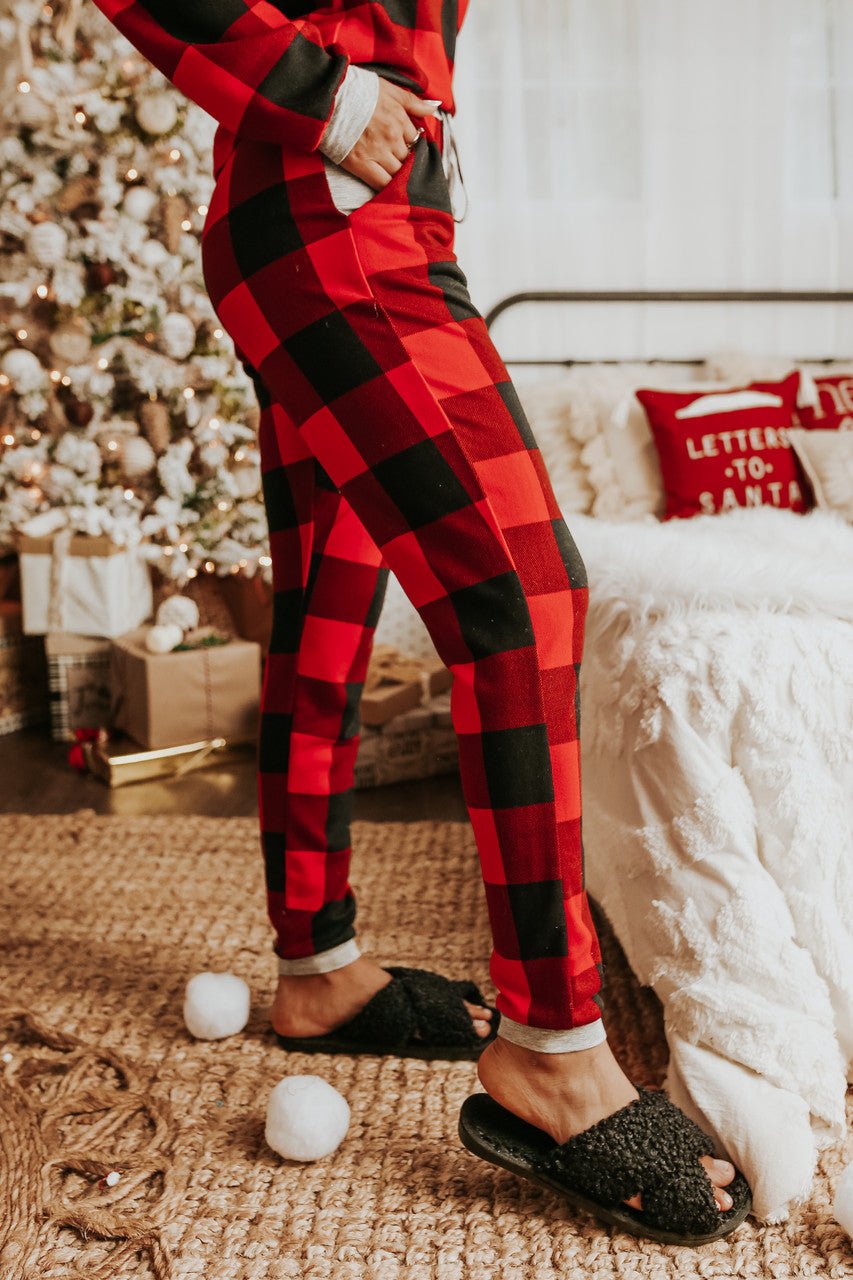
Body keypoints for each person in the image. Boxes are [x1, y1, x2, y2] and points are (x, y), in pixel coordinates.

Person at [85, 0, 750, 1243]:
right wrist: (327, 95)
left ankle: (319, 966)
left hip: (337, 217)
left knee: (332, 611)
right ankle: (552, 1043)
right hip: (335, 215)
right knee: (525, 597)